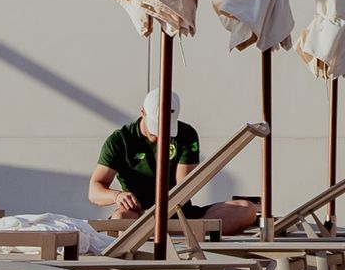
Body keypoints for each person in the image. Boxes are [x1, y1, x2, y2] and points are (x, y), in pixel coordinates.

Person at [88, 91, 260, 236]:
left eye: (167, 128)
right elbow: (94, 191)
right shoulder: (120, 140)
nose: (160, 134)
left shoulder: (185, 134)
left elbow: (183, 186)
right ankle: (175, 230)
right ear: (142, 112)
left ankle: (164, 230)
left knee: (246, 209)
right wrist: (117, 196)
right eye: (155, 129)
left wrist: (164, 211)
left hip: (179, 211)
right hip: (137, 214)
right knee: (121, 220)